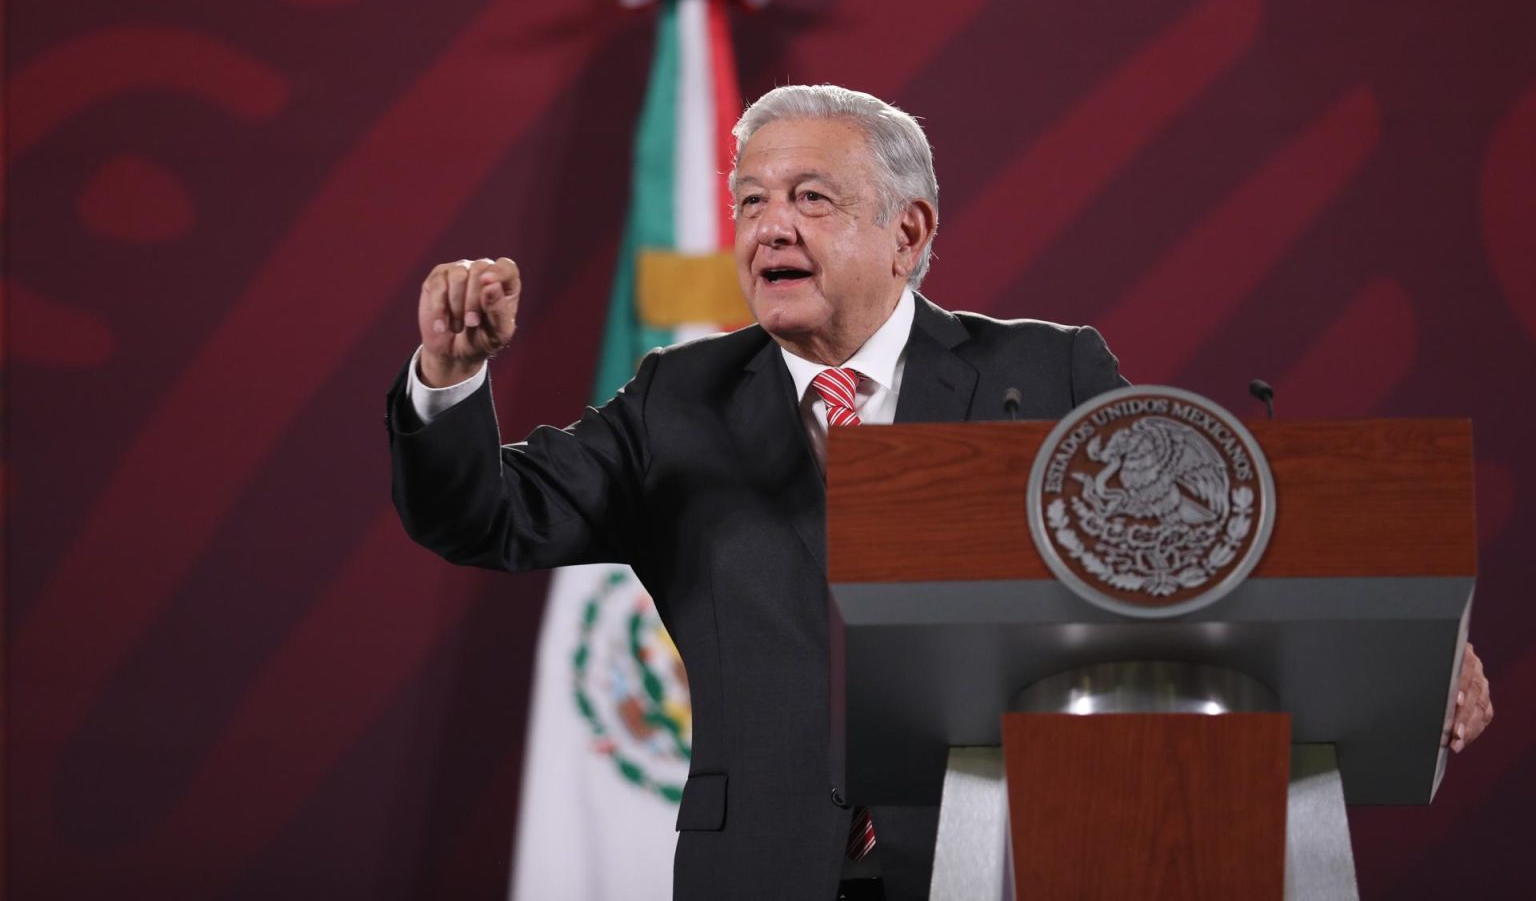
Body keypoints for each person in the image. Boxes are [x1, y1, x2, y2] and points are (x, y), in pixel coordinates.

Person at [387, 85, 1493, 901]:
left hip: (1007, 861)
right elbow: (486, 515)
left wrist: (1414, 640)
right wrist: (450, 379)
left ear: (908, 232)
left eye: (812, 198)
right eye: (751, 201)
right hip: (757, 867)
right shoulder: (674, 399)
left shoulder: (1051, 373)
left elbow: (1199, 544)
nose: (769, 226)